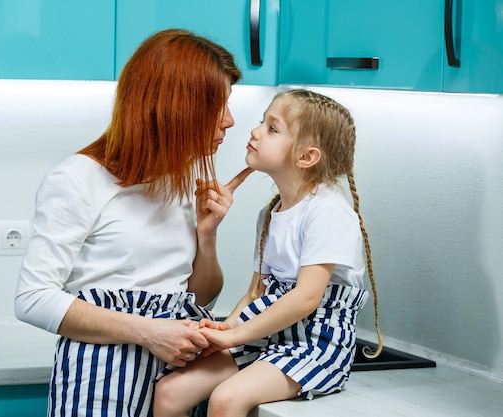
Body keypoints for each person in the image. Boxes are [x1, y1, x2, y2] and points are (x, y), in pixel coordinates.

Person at [14, 29, 252, 417]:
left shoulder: (178, 181)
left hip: (171, 373)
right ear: (175, 107)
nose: (229, 120)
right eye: (217, 106)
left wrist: (207, 238)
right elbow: (32, 299)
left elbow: (200, 297)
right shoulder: (78, 179)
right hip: (101, 377)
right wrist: (150, 332)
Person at [152, 89, 383, 417]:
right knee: (169, 392)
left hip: (315, 345)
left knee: (226, 399)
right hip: (267, 338)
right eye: (263, 122)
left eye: (272, 128)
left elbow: (306, 298)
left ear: (306, 157)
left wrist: (236, 337)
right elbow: (256, 293)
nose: (255, 131)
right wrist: (226, 328)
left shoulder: (328, 212)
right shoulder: (270, 213)